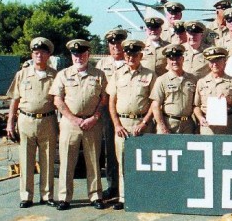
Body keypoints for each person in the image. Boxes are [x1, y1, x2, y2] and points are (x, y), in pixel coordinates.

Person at [49, 39, 107, 210]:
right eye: (75, 54)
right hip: (69, 123)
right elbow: (57, 100)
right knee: (67, 160)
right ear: (71, 56)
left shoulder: (99, 75)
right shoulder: (63, 75)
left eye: (82, 54)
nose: (78, 57)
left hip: (92, 123)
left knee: (93, 160)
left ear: (88, 54)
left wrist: (94, 117)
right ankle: (64, 198)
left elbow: (104, 99)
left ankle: (95, 195)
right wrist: (73, 119)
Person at [6, 37, 58, 208]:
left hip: (48, 120)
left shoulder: (55, 75)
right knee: (26, 159)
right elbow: (14, 99)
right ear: (32, 54)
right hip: (26, 120)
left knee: (48, 159)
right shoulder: (22, 74)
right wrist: (10, 123)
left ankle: (47, 195)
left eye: (43, 53)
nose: (39, 56)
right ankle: (26, 196)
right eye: (36, 53)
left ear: (49, 55)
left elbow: (61, 100)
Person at [106, 40, 155, 210]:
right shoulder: (117, 74)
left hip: (142, 124)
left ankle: (143, 195)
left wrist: (144, 122)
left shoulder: (150, 75)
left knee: (144, 162)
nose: (130, 57)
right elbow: (111, 102)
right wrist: (117, 125)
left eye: (134, 54)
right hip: (123, 124)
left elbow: (154, 102)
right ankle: (124, 197)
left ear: (140, 56)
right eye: (128, 54)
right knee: (123, 162)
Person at [95, 27, 127, 200]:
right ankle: (113, 185)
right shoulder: (102, 64)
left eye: (119, 43)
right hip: (108, 112)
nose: (116, 46)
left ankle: (129, 185)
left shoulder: (131, 61)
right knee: (110, 151)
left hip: (127, 111)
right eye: (112, 43)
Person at [150, 44, 197, 134]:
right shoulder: (162, 80)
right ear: (167, 61)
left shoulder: (192, 79)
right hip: (169, 124)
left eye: (178, 58)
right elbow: (155, 106)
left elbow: (196, 105)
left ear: (183, 59)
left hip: (188, 125)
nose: (174, 62)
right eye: (171, 59)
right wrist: (162, 127)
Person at [194, 46, 232, 135]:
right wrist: (200, 118)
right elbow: (196, 106)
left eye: (218, 60)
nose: (214, 64)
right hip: (208, 127)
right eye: (211, 61)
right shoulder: (202, 82)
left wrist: (229, 101)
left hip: (228, 126)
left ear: (224, 61)